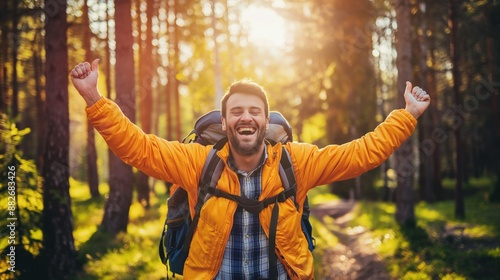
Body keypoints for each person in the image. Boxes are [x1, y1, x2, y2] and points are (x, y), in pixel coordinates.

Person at [70, 59, 430, 280]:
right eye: (237, 111)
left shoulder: (296, 162)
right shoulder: (198, 163)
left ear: (265, 121)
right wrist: (93, 98)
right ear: (226, 122)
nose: (246, 117)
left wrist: (407, 116)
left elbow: (360, 154)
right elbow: (138, 147)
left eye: (255, 111)